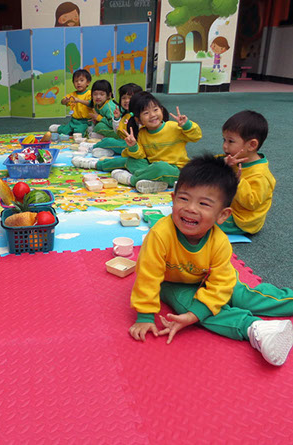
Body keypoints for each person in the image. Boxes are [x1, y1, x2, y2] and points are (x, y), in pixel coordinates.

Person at [129, 155, 293, 366]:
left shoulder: (220, 242)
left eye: (204, 203)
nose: (191, 208)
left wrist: (202, 309)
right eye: (184, 199)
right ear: (172, 198)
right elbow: (148, 276)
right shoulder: (160, 235)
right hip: (173, 283)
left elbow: (221, 283)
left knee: (246, 297)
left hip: (213, 278)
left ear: (222, 215)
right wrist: (145, 316)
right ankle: (255, 328)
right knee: (187, 308)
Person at [107, 92, 202, 193]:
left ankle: (131, 180)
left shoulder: (173, 127)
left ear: (161, 110)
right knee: (132, 161)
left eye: (155, 110)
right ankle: (154, 182)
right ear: (139, 120)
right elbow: (141, 155)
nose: (152, 115)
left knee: (160, 167)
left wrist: (187, 125)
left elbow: (196, 137)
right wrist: (134, 146)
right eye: (146, 113)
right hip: (152, 167)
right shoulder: (142, 133)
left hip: (176, 171)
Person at [218, 110, 274, 235]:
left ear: (252, 145)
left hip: (241, 220)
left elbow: (251, 203)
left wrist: (237, 181)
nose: (225, 146)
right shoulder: (234, 159)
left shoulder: (261, 175)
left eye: (230, 141)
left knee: (203, 218)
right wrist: (222, 164)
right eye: (224, 140)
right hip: (228, 207)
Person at [49, 69, 92, 137]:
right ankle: (59, 127)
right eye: (76, 81)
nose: (78, 83)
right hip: (74, 120)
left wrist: (79, 100)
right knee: (65, 131)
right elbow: (62, 102)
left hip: (85, 121)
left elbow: (91, 104)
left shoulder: (89, 93)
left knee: (79, 133)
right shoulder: (72, 94)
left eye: (81, 80)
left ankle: (88, 129)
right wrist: (65, 100)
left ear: (88, 82)